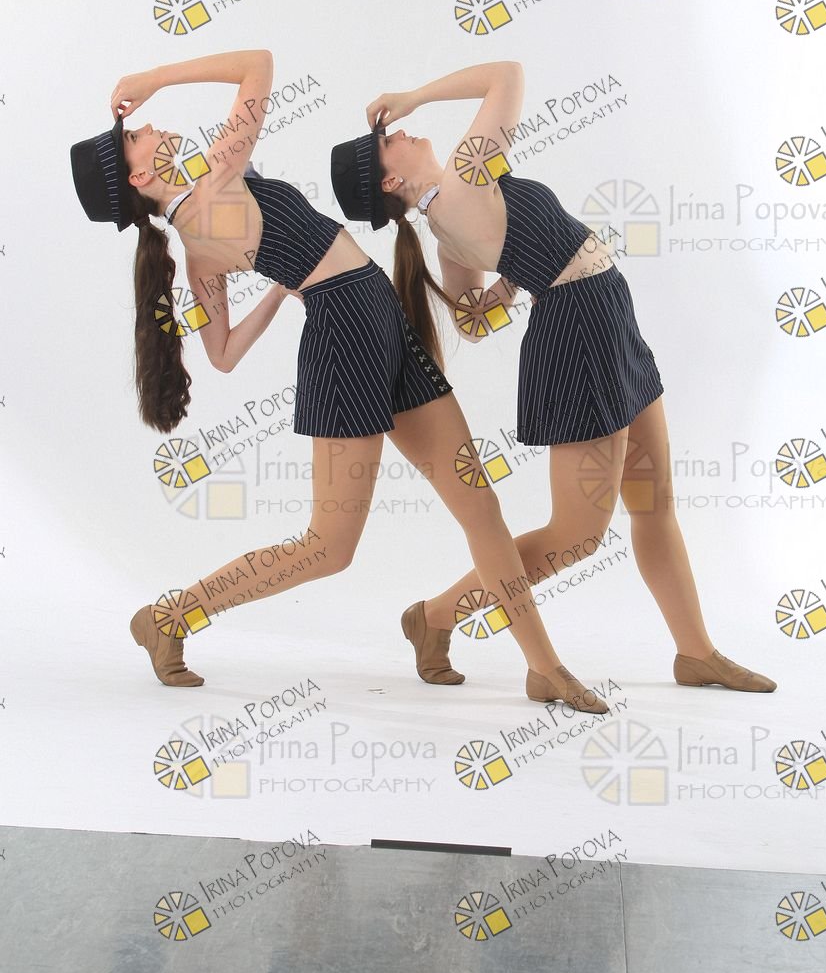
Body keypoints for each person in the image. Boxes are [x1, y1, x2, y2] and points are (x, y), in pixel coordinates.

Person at [69, 47, 608, 711]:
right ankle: (170, 617)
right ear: (141, 173)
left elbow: (224, 352)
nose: (148, 125)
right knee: (328, 546)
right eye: (134, 136)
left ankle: (541, 665)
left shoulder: (198, 243)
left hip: (374, 321)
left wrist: (285, 283)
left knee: (479, 506)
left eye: (137, 123)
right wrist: (156, 78)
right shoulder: (215, 180)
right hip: (347, 340)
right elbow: (258, 65)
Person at [330, 59, 776, 694]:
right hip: (578, 336)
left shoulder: (447, 228)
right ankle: (435, 616)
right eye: (386, 140)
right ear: (392, 179)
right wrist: (414, 95)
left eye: (391, 126)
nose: (398, 129)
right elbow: (506, 75)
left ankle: (696, 653)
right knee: (577, 536)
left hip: (606, 318)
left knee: (654, 505)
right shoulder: (466, 178)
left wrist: (516, 276)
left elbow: (474, 321)